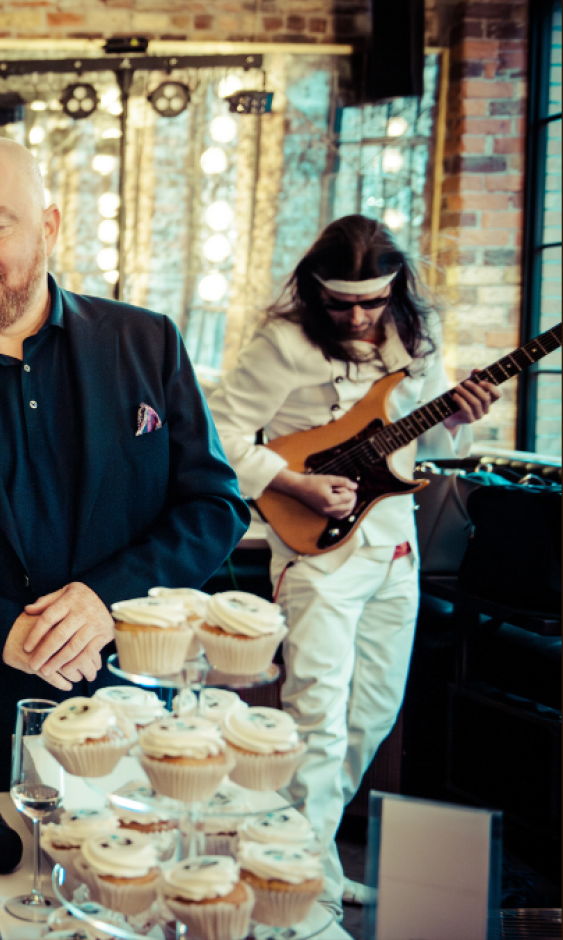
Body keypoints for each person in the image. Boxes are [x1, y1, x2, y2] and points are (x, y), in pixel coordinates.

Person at [0, 137, 250, 792]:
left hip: (131, 712)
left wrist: (107, 599)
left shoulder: (147, 343)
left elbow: (215, 505)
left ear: (49, 227)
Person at [207, 215, 499, 916]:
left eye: (374, 300)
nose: (360, 316)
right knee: (318, 722)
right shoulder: (283, 343)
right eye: (343, 304)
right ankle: (305, 893)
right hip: (317, 554)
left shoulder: (416, 337)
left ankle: (304, 862)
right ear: (316, 290)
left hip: (396, 548)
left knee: (371, 717)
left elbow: (420, 435)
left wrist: (456, 417)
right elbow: (217, 433)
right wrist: (295, 484)